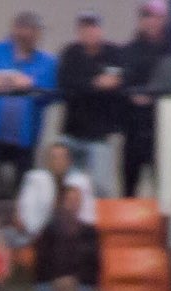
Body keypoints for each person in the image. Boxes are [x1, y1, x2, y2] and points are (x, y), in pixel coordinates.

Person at [0, 11, 57, 178]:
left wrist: (32, 86)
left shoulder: (47, 62)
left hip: (26, 140)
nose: (33, 35)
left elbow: (53, 93)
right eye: (29, 29)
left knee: (23, 187)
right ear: (16, 30)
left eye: (36, 31)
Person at [56, 10, 123, 198]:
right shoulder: (71, 53)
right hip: (73, 133)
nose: (90, 33)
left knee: (101, 188)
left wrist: (97, 84)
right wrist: (95, 84)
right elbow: (66, 83)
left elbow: (121, 80)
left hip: (100, 135)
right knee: (69, 187)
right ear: (79, 32)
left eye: (93, 29)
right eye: (85, 29)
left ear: (100, 30)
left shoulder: (113, 53)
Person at [119, 0, 170, 196]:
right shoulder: (128, 51)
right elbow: (122, 85)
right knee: (129, 188)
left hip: (163, 128)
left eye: (157, 17)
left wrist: (153, 97)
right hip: (134, 129)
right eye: (147, 17)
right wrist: (133, 96)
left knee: (165, 189)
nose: (152, 22)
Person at [17, 138, 95, 240]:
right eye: (54, 157)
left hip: (73, 239)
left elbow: (88, 217)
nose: (58, 161)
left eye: (62, 157)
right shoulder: (35, 179)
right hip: (39, 237)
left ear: (69, 161)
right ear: (47, 161)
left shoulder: (81, 182)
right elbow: (25, 215)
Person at [32, 180, 101, 287]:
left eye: (77, 200)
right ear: (61, 202)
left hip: (82, 286)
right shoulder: (49, 231)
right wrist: (59, 281)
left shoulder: (90, 232)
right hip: (51, 285)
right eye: (70, 200)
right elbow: (42, 264)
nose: (74, 204)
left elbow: (94, 265)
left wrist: (75, 280)